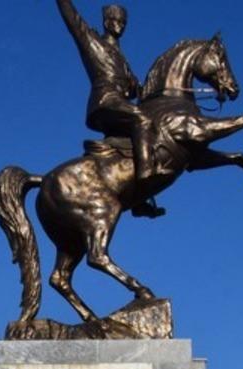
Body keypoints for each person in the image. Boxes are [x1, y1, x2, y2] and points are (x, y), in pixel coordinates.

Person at [55, 0, 164, 217]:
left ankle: (138, 199)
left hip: (120, 106)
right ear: (106, 22)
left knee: (147, 135)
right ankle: (146, 176)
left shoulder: (121, 57)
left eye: (123, 23)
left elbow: (135, 89)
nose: (119, 26)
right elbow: (73, 20)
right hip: (105, 103)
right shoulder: (93, 42)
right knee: (142, 119)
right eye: (115, 21)